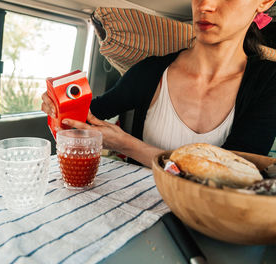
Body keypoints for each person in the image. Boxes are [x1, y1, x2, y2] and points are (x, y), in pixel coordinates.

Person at [42, 0, 276, 168]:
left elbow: (235, 173)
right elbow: (84, 118)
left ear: (264, 2)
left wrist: (128, 145)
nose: (205, 5)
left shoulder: (269, 82)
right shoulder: (150, 71)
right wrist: (60, 106)